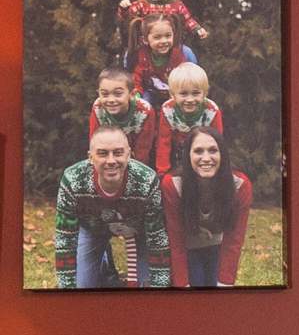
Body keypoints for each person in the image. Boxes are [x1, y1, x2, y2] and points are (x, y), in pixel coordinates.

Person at [53, 123, 171, 288]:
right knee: (82, 286)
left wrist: (160, 289)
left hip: (139, 231)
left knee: (148, 286)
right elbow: (65, 239)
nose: (111, 160)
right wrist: (67, 289)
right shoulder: (73, 180)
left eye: (118, 153)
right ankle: (103, 262)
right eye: (102, 153)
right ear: (90, 157)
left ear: (129, 155)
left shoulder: (147, 181)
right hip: (93, 229)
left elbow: (157, 239)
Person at [161, 121, 253, 287]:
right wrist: (183, 284)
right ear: (187, 155)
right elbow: (176, 240)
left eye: (213, 150)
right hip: (187, 246)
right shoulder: (173, 184)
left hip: (218, 245)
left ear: (222, 154)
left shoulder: (240, 185)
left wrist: (225, 283)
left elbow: (234, 240)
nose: (206, 158)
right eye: (198, 151)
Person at [149, 62, 225, 176]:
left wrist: (218, 169)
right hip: (177, 151)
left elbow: (217, 142)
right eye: (183, 94)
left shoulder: (212, 111)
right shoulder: (168, 110)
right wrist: (162, 170)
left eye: (196, 93)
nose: (190, 99)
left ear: (205, 93)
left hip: (202, 152)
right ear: (172, 94)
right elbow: (163, 142)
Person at [124, 14, 196, 118]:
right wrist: (137, 96)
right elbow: (136, 78)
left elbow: (189, 79)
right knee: (142, 106)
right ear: (145, 39)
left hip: (176, 93)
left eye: (168, 36)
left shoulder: (180, 54)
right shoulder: (140, 56)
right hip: (149, 92)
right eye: (157, 37)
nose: (164, 41)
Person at [87, 64, 154, 159]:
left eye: (118, 94)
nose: (111, 100)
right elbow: (95, 142)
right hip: (107, 155)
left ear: (132, 94)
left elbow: (143, 149)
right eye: (105, 94)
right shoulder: (98, 108)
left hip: (134, 157)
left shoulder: (145, 111)